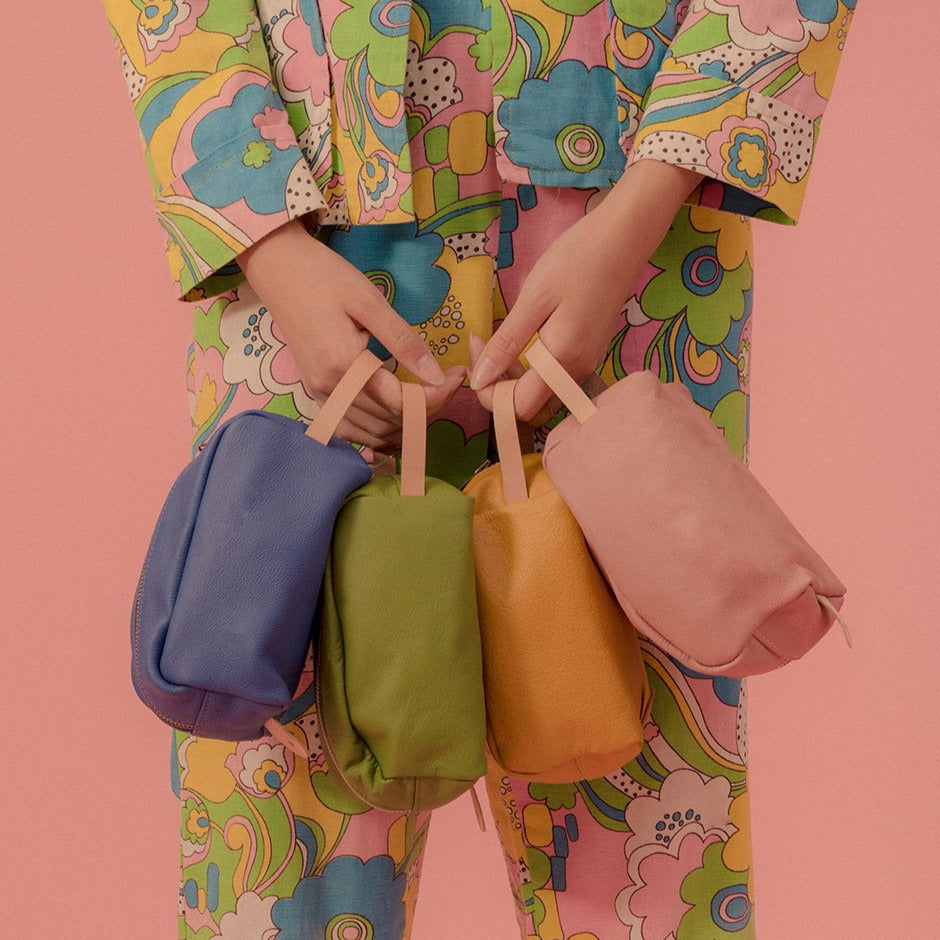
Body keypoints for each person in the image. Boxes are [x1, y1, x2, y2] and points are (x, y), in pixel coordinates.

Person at [100, 0, 858, 936]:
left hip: (624, 217)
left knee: (640, 799)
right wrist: (266, 241)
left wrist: (640, 209)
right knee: (282, 800)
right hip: (305, 224)